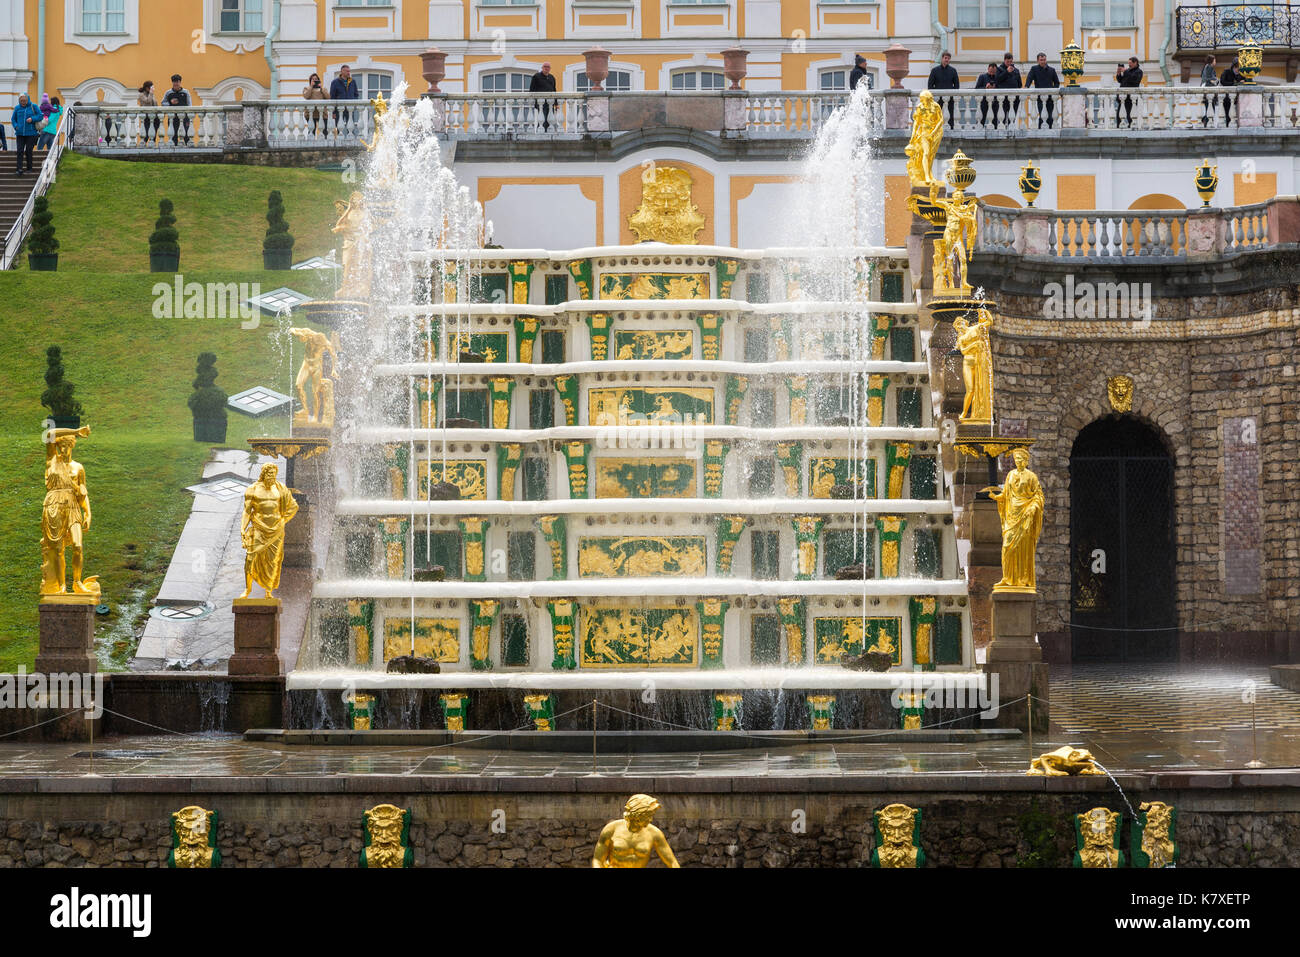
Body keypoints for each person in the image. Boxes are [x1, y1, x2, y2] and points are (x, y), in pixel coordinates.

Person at [239, 463, 299, 600]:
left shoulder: (280, 488)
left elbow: (294, 506)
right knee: (250, 558)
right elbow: (247, 511)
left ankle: (268, 591)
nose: (272, 476)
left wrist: (284, 520)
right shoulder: (252, 489)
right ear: (264, 474)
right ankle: (247, 589)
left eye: (274, 474)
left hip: (276, 530)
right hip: (259, 528)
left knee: (274, 561)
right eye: (269, 474)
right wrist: (243, 528)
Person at [591, 795, 680, 868]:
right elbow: (597, 860)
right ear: (636, 815)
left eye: (651, 816)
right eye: (647, 816)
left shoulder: (654, 833)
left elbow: (672, 862)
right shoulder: (611, 829)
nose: (650, 819)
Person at [1025, 52, 1059, 129]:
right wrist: (1026, 86)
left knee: (1050, 116)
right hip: (1040, 97)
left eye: (1044, 60)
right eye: (1041, 60)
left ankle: (1050, 131)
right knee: (1042, 115)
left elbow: (1057, 82)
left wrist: (1052, 91)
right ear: (1038, 61)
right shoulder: (1034, 69)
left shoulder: (1052, 70)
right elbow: (1029, 78)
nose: (1043, 61)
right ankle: (1041, 130)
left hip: (1050, 98)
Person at [927, 51, 959, 126]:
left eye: (948, 58)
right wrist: (934, 95)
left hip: (949, 97)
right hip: (938, 97)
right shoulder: (934, 70)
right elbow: (930, 85)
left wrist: (952, 93)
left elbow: (957, 85)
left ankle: (951, 128)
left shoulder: (953, 71)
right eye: (945, 58)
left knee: (950, 113)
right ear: (942, 58)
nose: (947, 60)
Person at [11, 93, 40, 174]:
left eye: (24, 101)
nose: (23, 102)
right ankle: (19, 169)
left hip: (31, 133)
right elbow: (13, 119)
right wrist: (16, 126)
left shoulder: (33, 106)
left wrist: (32, 118)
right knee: (19, 151)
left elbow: (40, 115)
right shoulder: (17, 108)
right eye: (21, 101)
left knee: (28, 151)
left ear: (28, 100)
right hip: (20, 133)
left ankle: (29, 169)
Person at [161, 73, 192, 145]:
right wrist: (170, 103)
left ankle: (188, 147)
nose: (176, 83)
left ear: (180, 82)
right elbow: (163, 103)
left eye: (177, 82)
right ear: (172, 82)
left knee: (186, 133)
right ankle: (173, 147)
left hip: (184, 116)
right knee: (173, 134)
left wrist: (189, 115)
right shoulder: (168, 93)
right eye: (174, 82)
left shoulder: (185, 92)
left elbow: (189, 104)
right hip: (173, 117)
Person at [329, 65, 359, 135]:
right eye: (347, 71)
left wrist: (353, 104)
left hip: (350, 108)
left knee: (351, 126)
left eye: (349, 71)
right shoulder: (335, 82)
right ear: (342, 71)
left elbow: (356, 94)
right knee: (339, 126)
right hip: (339, 109)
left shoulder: (353, 81)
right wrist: (333, 111)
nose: (348, 73)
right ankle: (340, 138)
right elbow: (332, 97)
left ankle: (351, 139)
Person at [994, 53, 1022, 129]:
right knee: (1001, 118)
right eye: (1007, 62)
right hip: (1002, 98)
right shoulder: (999, 69)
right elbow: (997, 80)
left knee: (1012, 117)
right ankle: (1001, 130)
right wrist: (1006, 72)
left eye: (1011, 62)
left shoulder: (1016, 70)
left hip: (1014, 98)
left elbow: (1020, 84)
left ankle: (1011, 129)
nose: (1009, 63)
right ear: (1004, 60)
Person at [529, 61, 558, 132]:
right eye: (545, 67)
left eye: (548, 67)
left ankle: (548, 132)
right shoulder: (536, 76)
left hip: (550, 102)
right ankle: (540, 131)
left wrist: (556, 103)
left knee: (550, 118)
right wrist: (534, 101)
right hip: (541, 102)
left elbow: (554, 90)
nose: (546, 68)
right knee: (543, 118)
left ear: (550, 68)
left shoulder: (552, 77)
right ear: (542, 68)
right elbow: (532, 90)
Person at [1114, 57, 1142, 128]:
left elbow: (1134, 80)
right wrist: (1118, 74)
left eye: (1130, 63)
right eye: (1128, 63)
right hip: (1123, 97)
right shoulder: (1128, 70)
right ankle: (1118, 127)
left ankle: (1131, 128)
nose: (1129, 65)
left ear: (1135, 62)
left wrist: (1125, 71)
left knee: (1130, 116)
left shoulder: (1139, 71)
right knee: (1119, 116)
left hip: (1131, 98)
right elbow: (1121, 81)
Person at [303, 72, 327, 138]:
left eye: (316, 79)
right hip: (310, 113)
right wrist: (311, 86)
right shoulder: (307, 88)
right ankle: (310, 145)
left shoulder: (323, 89)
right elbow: (306, 96)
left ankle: (325, 145)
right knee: (311, 131)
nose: (314, 80)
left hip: (322, 113)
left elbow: (328, 97)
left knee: (324, 131)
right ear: (310, 81)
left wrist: (321, 88)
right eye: (313, 79)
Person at [975, 62, 998, 127]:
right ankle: (978, 132)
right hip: (984, 101)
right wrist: (985, 87)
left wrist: (995, 87)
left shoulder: (997, 77)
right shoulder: (982, 76)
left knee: (994, 120)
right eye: (990, 71)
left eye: (993, 72)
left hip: (995, 101)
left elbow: (1000, 87)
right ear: (988, 69)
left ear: (996, 71)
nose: (991, 73)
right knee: (980, 119)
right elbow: (977, 88)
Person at [1220, 56, 1240, 125]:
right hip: (1226, 98)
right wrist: (1234, 84)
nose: (1239, 69)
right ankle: (1227, 125)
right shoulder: (1226, 72)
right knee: (1227, 114)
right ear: (1234, 66)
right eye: (1238, 67)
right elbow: (1222, 82)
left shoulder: (1240, 74)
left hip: (1236, 98)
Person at [1199, 55, 1218, 128]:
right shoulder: (1209, 67)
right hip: (1208, 87)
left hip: (1206, 87)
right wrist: (1216, 80)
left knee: (1207, 105)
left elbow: (1204, 77)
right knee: (1211, 104)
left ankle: (1206, 120)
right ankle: (1208, 120)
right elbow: (1208, 78)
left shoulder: (1206, 66)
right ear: (1212, 61)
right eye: (1215, 60)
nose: (1215, 62)